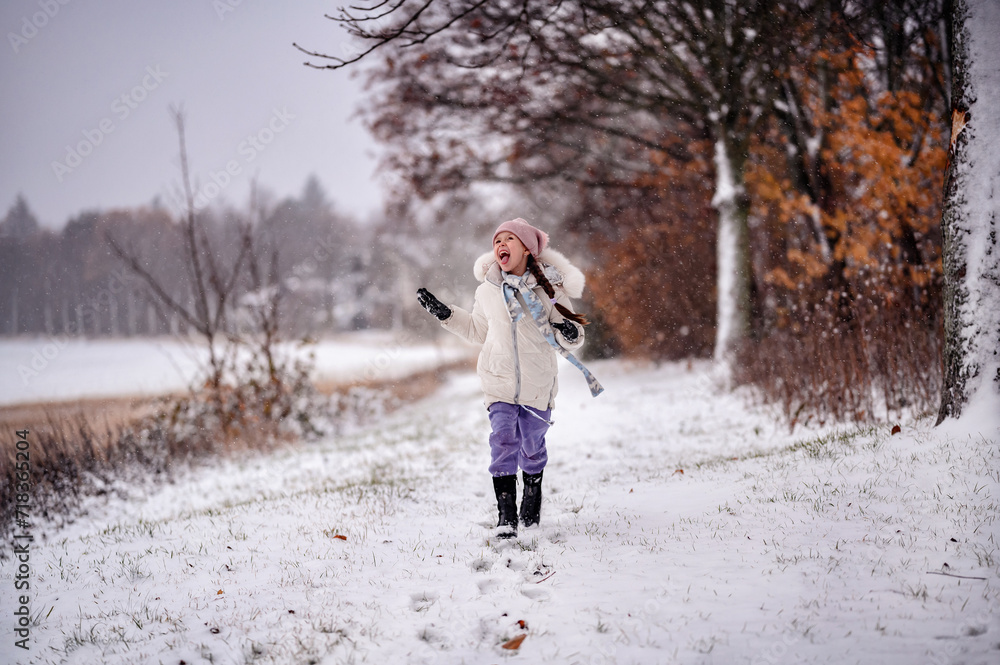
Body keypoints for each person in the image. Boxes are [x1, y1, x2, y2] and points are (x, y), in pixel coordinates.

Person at [416, 218, 602, 538]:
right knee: (503, 440)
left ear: (527, 249)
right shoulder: (487, 290)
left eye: (509, 239)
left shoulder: (549, 289)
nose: (501, 245)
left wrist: (571, 333)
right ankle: (506, 515)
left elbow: (568, 331)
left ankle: (532, 496)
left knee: (532, 446)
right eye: (497, 241)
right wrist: (446, 314)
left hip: (537, 383)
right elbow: (478, 330)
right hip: (498, 380)